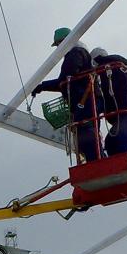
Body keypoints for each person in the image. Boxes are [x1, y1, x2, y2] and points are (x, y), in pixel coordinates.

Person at [31, 27, 102, 163]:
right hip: (89, 99)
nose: (58, 48)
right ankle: (99, 161)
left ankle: (98, 163)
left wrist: (41, 86)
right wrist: (43, 87)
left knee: (86, 135)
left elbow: (65, 79)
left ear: (65, 41)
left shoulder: (75, 53)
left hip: (85, 100)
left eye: (58, 44)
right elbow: (66, 82)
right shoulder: (81, 53)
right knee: (89, 134)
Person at [90, 48, 127, 157]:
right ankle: (116, 162)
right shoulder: (117, 69)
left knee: (122, 137)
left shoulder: (110, 70)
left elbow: (114, 93)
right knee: (111, 140)